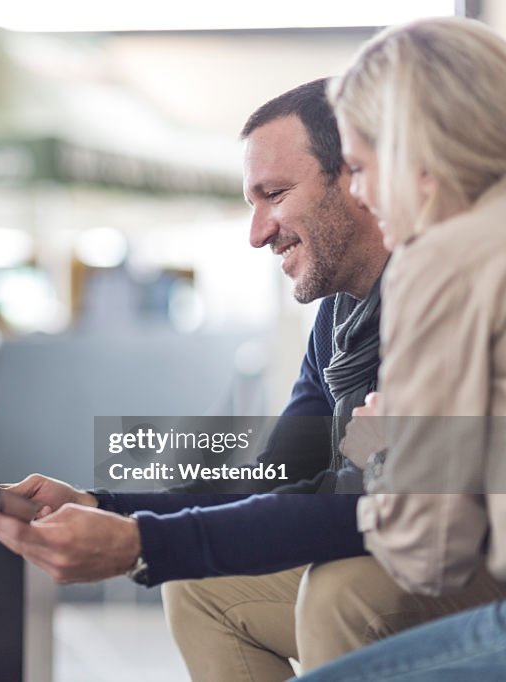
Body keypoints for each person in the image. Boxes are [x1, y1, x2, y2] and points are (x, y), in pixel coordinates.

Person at [0, 77, 506, 680]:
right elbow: (284, 471)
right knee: (203, 587)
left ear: (359, 178)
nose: (257, 232)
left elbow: (365, 506)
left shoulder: (452, 291)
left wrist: (140, 543)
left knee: (346, 588)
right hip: (420, 533)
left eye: (275, 194)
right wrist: (106, 505)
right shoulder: (340, 317)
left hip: (479, 549)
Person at [293, 16, 506, 682]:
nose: (357, 192)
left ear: (417, 149)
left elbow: (427, 550)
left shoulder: (444, 258)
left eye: (358, 166)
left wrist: (385, 448)